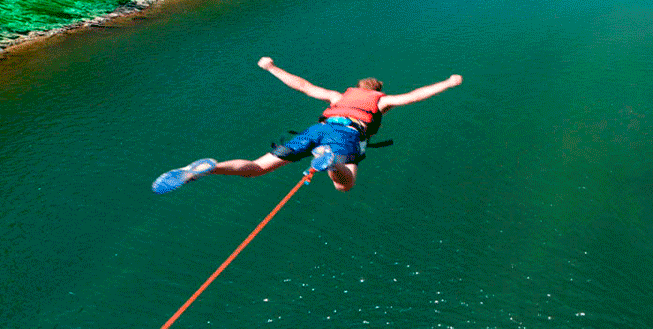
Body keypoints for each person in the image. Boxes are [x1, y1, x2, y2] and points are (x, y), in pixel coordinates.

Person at [153, 57, 462, 194]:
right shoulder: (381, 101)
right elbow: (413, 96)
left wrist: (271, 67)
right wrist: (447, 83)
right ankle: (328, 162)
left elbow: (302, 85)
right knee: (345, 184)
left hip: (318, 130)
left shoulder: (337, 97)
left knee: (258, 167)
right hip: (345, 135)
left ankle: (209, 167)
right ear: (377, 90)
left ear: (357, 87)